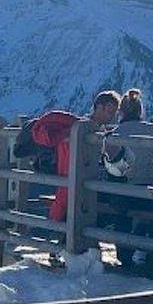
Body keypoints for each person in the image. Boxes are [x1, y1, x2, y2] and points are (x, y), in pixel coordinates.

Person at [101, 89, 153, 273]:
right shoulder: (151, 129)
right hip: (151, 193)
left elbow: (107, 161)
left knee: (120, 209)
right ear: (140, 111)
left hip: (128, 193)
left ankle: (125, 255)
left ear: (121, 112)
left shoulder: (116, 133)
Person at [29, 90, 120, 222]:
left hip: (78, 183)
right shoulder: (80, 130)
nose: (111, 116)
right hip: (77, 183)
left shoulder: (84, 128)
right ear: (99, 107)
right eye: (109, 111)